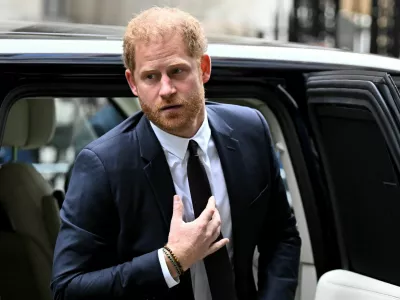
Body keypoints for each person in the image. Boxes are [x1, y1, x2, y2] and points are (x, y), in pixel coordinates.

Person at [51, 7, 301, 300]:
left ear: (204, 68)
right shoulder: (103, 165)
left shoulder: (250, 130)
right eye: (151, 77)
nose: (166, 89)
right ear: (133, 83)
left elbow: (282, 235)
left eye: (177, 71)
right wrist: (171, 261)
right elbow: (67, 288)